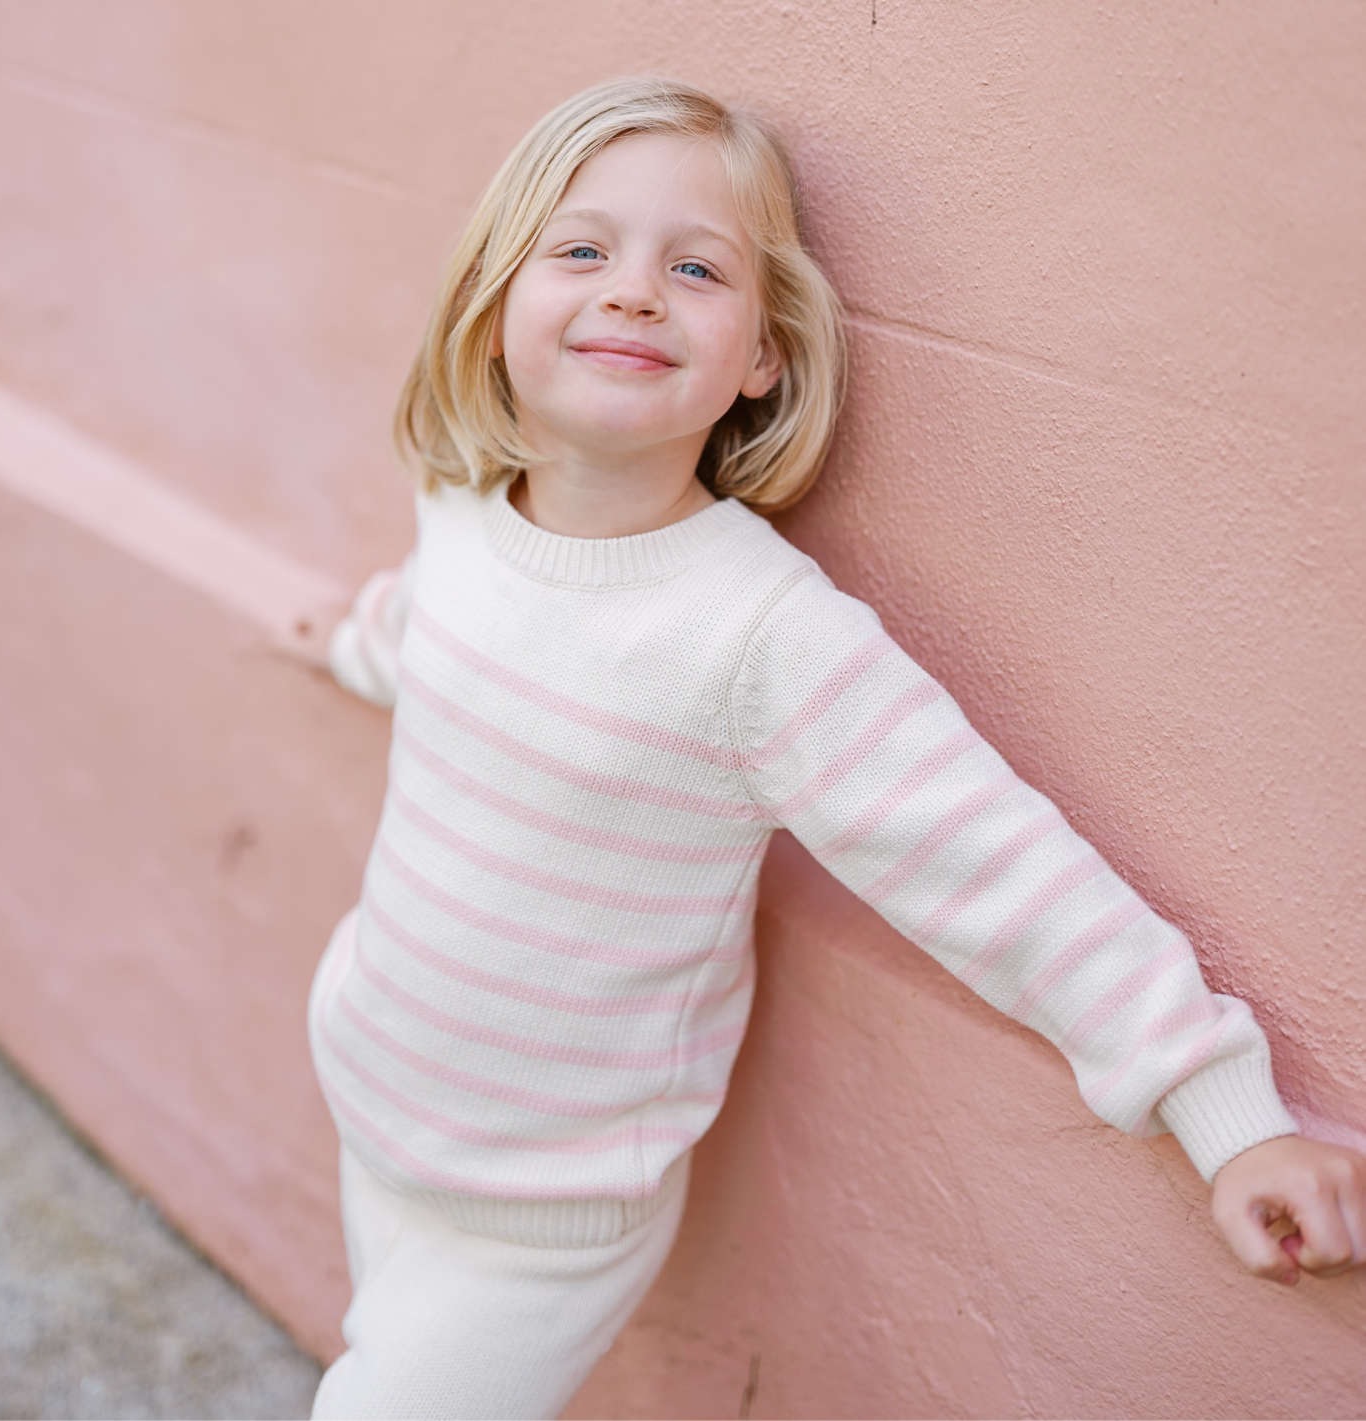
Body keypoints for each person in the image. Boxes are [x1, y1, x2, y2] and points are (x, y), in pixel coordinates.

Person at [307, 77, 1366, 1421]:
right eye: (580, 250)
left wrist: (1231, 1117)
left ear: (763, 354)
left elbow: (994, 866)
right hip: (370, 1089)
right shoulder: (459, 508)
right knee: (372, 1344)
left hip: (543, 1215)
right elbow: (436, 640)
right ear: (493, 304)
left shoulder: (759, 638)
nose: (633, 291)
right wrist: (346, 643)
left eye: (696, 268)